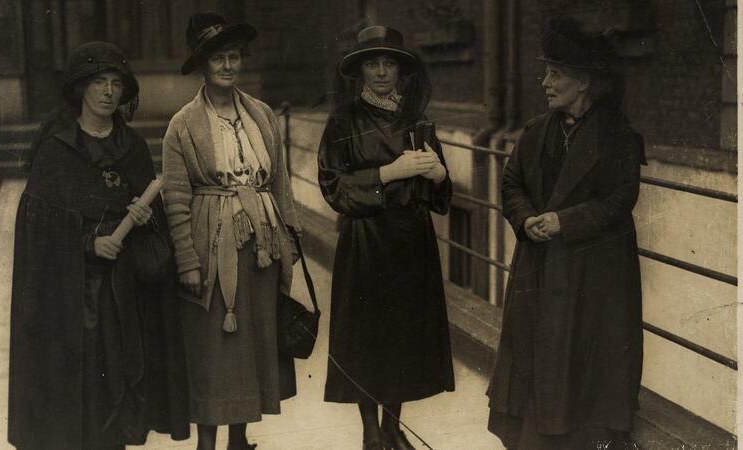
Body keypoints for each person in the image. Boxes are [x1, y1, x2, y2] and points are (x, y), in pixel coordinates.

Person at [8, 41, 190, 450]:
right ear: (80, 89)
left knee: (123, 383)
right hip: (77, 297)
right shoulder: (56, 151)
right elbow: (37, 233)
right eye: (98, 82)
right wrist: (90, 244)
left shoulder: (133, 147)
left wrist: (144, 217)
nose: (108, 92)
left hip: (126, 292)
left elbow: (155, 223)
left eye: (116, 83)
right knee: (86, 387)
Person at [486, 17, 646, 450]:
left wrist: (564, 221)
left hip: (592, 276)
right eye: (546, 73)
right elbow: (511, 183)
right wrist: (525, 220)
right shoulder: (537, 130)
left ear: (584, 82)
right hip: (540, 268)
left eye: (555, 74)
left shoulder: (618, 135)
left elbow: (621, 199)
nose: (545, 83)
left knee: (584, 376)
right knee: (535, 370)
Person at [162, 11, 301, 450]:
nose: (227, 65)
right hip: (211, 246)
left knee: (252, 343)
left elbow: (280, 182)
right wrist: (187, 260)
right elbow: (175, 199)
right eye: (218, 58)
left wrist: (289, 237)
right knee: (215, 348)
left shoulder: (261, 114)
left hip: (261, 247)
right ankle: (207, 444)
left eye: (234, 56)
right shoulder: (182, 124)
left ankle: (239, 441)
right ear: (203, 65)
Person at [318, 25, 455, 450]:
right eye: (372, 64)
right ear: (360, 70)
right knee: (367, 334)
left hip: (410, 240)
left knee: (403, 334)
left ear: (400, 70)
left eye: (389, 63)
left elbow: (440, 197)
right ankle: (371, 431)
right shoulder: (343, 121)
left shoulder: (417, 121)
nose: (381, 72)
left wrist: (439, 175)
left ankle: (393, 425)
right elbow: (332, 186)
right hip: (366, 240)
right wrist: (386, 173)